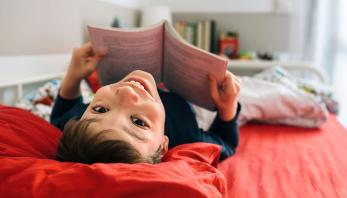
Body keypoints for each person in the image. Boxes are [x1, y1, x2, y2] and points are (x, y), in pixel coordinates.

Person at [51, 42, 241, 164]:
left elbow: (61, 116)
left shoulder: (79, 125)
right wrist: (228, 109)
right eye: (138, 122)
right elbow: (227, 144)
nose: (126, 92)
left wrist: (73, 77)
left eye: (100, 109)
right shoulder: (186, 135)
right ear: (163, 145)